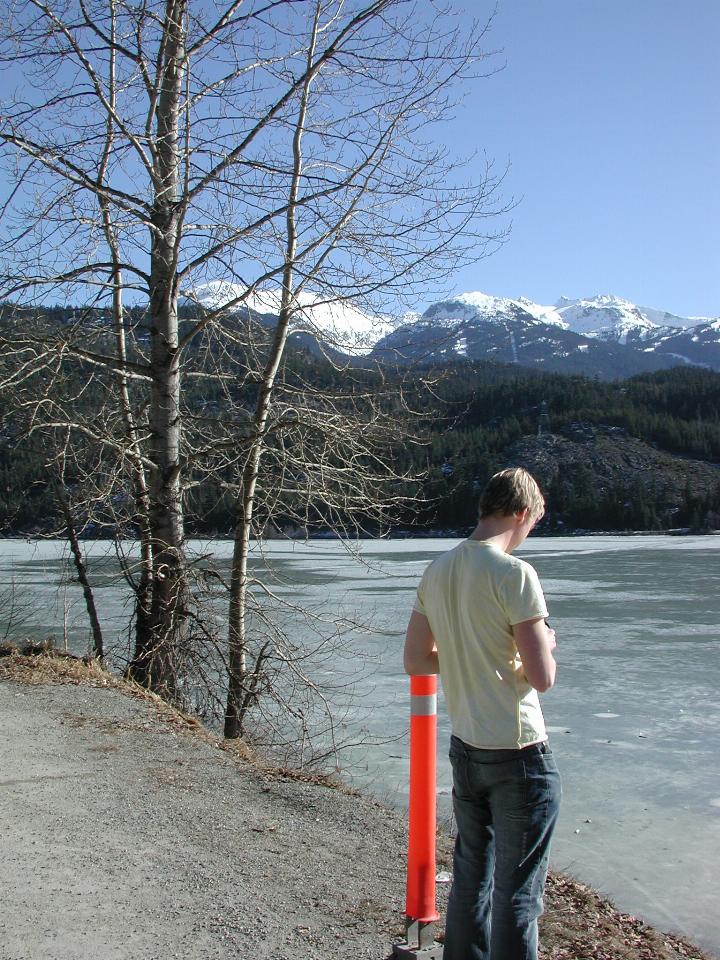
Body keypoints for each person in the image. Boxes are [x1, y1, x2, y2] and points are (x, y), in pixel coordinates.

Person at [403, 467, 561, 960]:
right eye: (532, 522)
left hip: (466, 749)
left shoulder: (439, 569)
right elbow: (542, 677)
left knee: (471, 876)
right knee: (518, 891)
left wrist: (465, 653)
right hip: (518, 753)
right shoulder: (515, 574)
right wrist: (547, 644)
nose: (528, 531)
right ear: (520, 513)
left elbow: (414, 661)